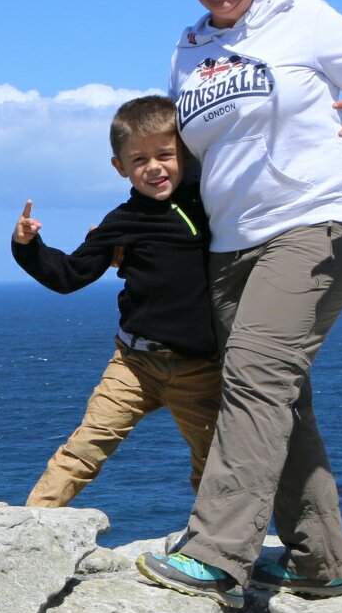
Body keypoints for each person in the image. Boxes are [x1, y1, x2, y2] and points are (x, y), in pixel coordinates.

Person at [137, 0, 342, 609]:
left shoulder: (303, 18)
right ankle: (318, 560)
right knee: (279, 399)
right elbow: (189, 163)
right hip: (230, 248)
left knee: (255, 380)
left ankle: (216, 554)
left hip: (314, 225)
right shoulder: (187, 52)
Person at [12, 95, 221, 508]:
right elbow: (69, 275)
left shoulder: (211, 204)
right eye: (139, 160)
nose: (154, 167)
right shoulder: (122, 222)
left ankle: (214, 539)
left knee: (214, 462)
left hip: (199, 368)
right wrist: (28, 245)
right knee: (84, 449)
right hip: (134, 363)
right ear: (119, 167)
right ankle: (31, 523)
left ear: (185, 154)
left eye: (165, 154)